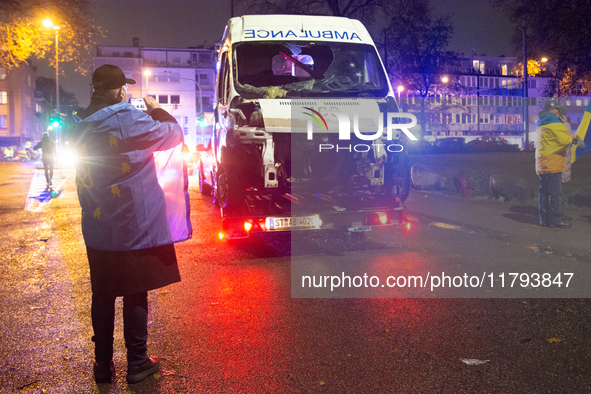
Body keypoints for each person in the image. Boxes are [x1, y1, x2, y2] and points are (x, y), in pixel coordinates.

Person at [74, 64, 189, 384]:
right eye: (124, 88)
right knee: (135, 291)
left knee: (103, 292)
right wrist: (158, 110)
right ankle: (137, 362)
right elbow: (173, 135)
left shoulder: (80, 122)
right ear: (119, 90)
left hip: (97, 226)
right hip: (131, 225)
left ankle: (102, 366)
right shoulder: (126, 118)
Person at [534, 100, 584, 227]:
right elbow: (565, 140)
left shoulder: (540, 123)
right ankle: (556, 220)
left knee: (543, 192)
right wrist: (567, 126)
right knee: (555, 193)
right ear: (550, 111)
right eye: (557, 111)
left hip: (541, 162)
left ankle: (544, 219)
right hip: (553, 162)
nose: (559, 114)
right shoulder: (554, 123)